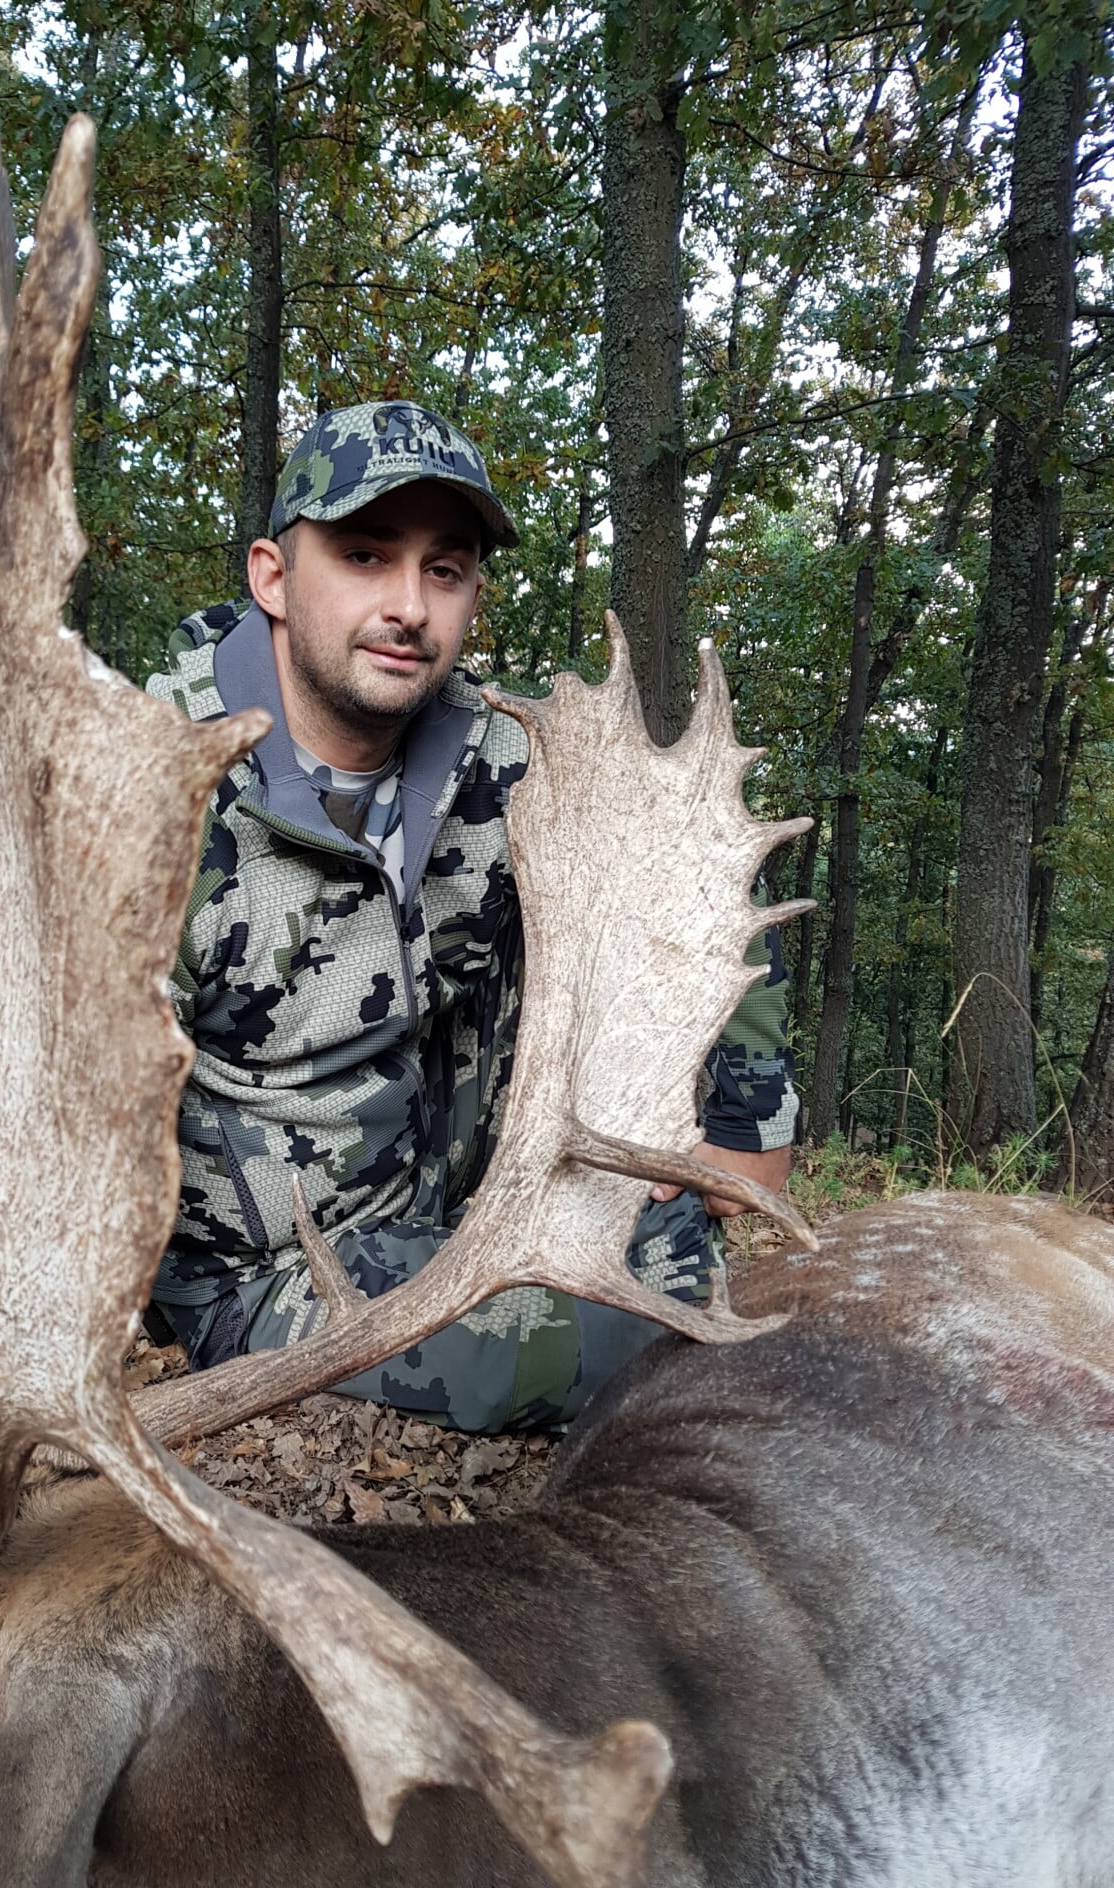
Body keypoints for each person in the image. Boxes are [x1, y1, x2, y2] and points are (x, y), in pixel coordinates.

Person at [141, 401, 796, 1433]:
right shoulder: (147, 802)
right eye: (364, 555)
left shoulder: (501, 753)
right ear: (273, 575)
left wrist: (744, 1125)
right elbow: (47, 1125)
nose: (409, 605)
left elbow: (689, 858)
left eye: (443, 570)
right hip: (269, 1264)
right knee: (639, 1353)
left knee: (673, 1261)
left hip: (460, 1188)